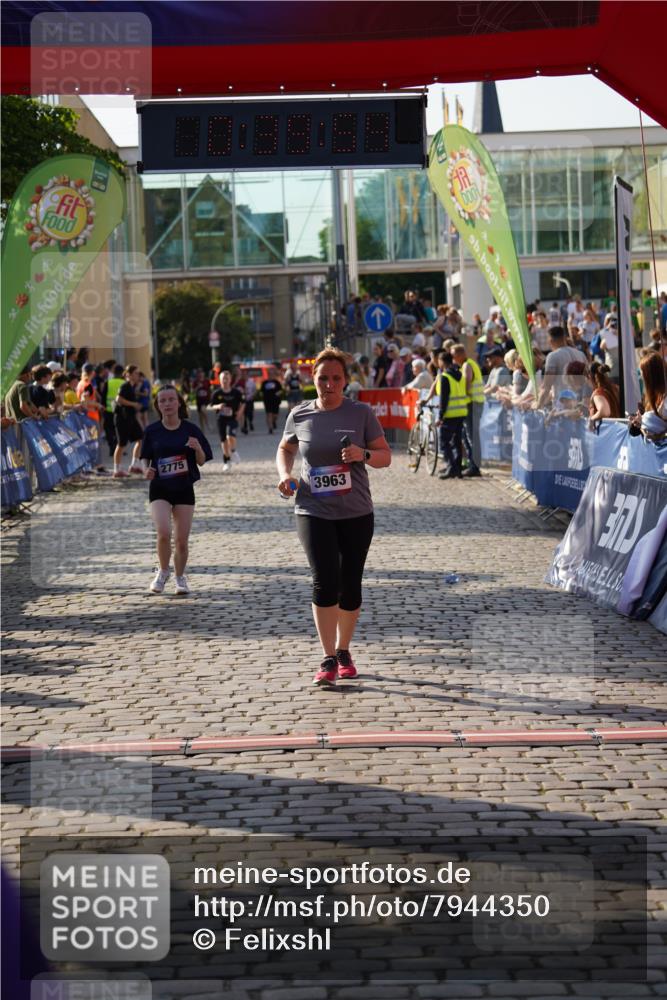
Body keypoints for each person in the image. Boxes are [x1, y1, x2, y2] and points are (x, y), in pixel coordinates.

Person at [276, 348, 391, 687]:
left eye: (336, 378)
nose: (329, 384)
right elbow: (286, 448)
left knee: (350, 584)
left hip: (356, 511)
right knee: (325, 579)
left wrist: (363, 454)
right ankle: (327, 656)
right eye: (323, 378)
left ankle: (344, 650)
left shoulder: (361, 413)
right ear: (313, 379)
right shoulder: (300, 414)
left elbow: (385, 457)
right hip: (313, 508)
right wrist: (285, 474)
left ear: (346, 380)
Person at [141, 384, 213, 595]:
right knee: (163, 532)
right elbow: (144, 456)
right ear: (158, 405)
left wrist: (197, 448)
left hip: (183, 488)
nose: (167, 404)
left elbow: (201, 461)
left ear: (179, 402)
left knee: (181, 541)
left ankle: (180, 578)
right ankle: (163, 572)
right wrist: (146, 470)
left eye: (171, 399)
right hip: (160, 488)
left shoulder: (191, 430)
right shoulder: (152, 431)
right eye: (162, 400)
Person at [536, 326, 587, 408]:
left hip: (563, 407)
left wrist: (538, 405)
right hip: (580, 405)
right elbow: (587, 380)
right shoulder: (581, 354)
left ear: (550, 341)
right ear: (564, 338)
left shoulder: (553, 356)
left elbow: (546, 386)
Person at [113, 366, 144, 478]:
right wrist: (134, 404)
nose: (137, 375)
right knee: (122, 444)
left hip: (130, 418)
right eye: (135, 373)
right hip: (122, 418)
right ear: (129, 374)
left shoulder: (132, 386)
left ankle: (134, 465)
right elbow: (118, 399)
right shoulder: (125, 385)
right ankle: (117, 469)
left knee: (140, 438)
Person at [209, 369, 244, 470]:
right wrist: (218, 406)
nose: (225, 380)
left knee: (230, 436)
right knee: (223, 440)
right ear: (220, 380)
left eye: (227, 378)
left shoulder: (236, 392)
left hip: (233, 418)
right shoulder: (216, 393)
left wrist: (240, 412)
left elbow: (243, 402)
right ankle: (226, 461)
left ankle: (233, 451)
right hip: (221, 419)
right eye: (223, 378)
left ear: (230, 380)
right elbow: (211, 406)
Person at [639, 353, 667, 441]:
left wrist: (659, 436)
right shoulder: (657, 396)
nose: (641, 377)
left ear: (650, 375)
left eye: (642, 373)